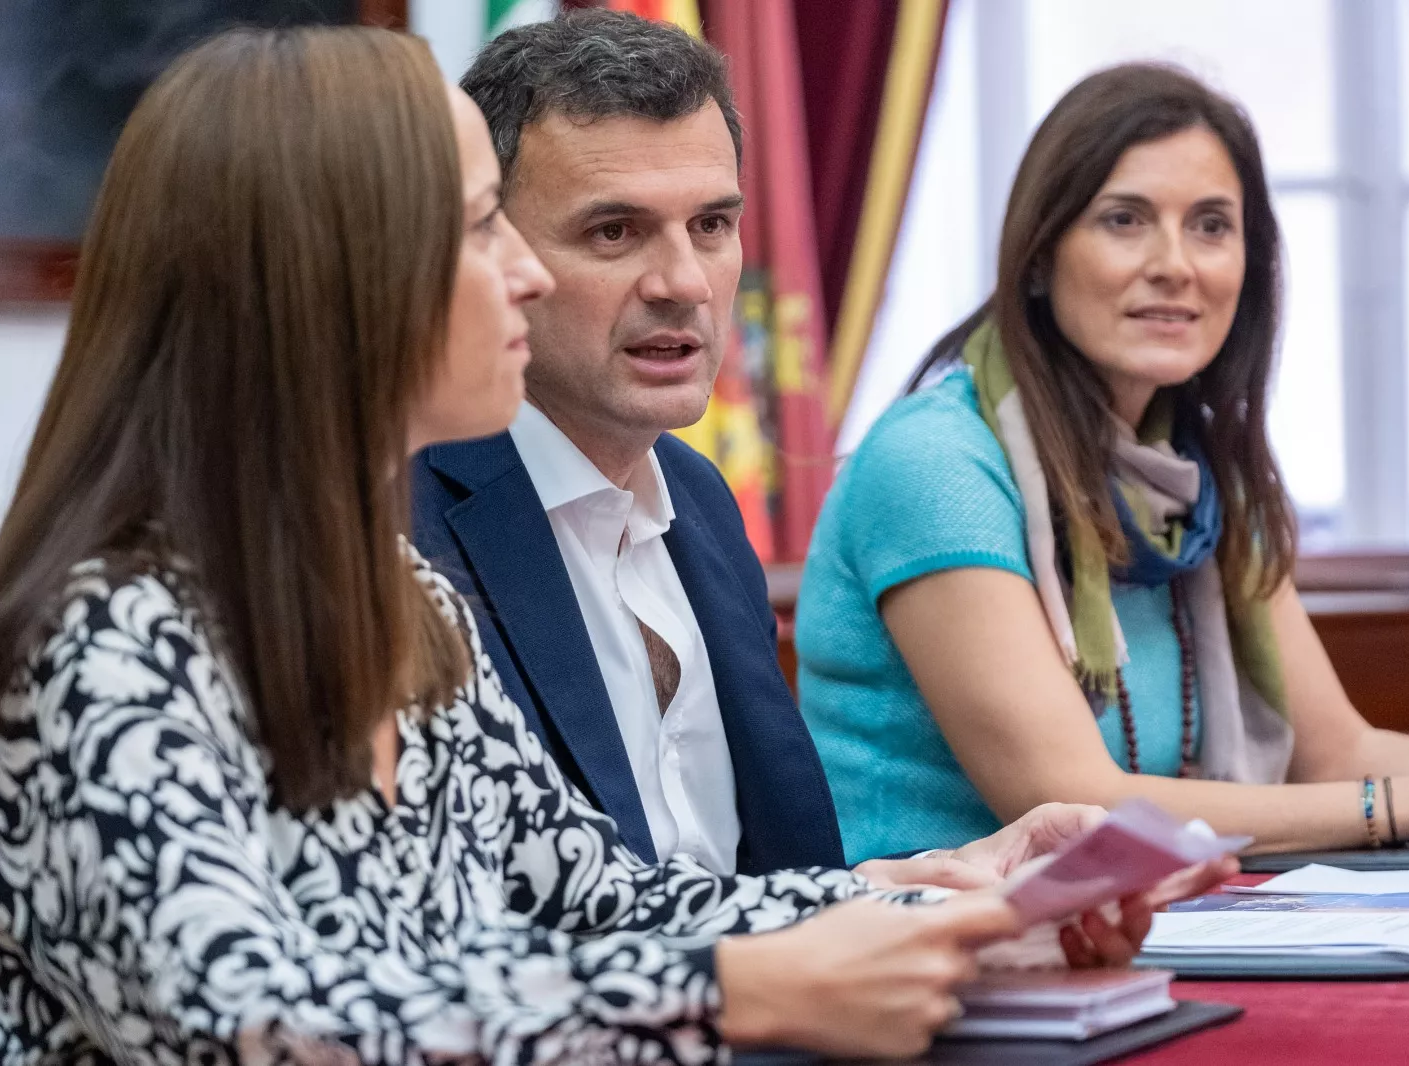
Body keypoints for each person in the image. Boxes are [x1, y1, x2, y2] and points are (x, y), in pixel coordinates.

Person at [0, 28, 1219, 1064]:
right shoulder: (106, 642)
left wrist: (949, 893)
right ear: (332, 280)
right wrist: (745, 992)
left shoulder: (403, 596)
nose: (525, 275)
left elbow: (611, 901)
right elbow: (240, 1024)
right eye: (485, 229)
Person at [796, 61, 1409, 864]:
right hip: (926, 948)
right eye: (1125, 220)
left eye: (1212, 225)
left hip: (1138, 930)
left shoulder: (1209, 473)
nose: (1176, 263)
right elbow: (1071, 802)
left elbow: (1338, 753)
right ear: (1038, 257)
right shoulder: (932, 462)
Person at [410, 10, 1081, 886]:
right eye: (613, 231)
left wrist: (923, 889)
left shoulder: (698, 498)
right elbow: (511, 923)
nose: (682, 284)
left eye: (712, 226)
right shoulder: (405, 517)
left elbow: (754, 889)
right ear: (497, 248)